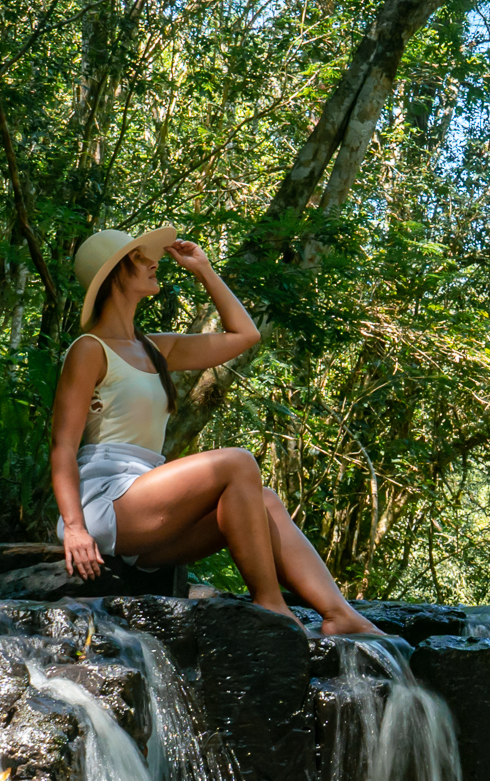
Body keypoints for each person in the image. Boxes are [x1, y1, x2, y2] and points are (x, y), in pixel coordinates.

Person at [49, 224, 377, 635]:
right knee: (237, 463)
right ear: (114, 275)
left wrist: (204, 269)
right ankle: (271, 607)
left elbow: (245, 335)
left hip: (148, 503)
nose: (154, 262)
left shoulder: (154, 348)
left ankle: (339, 614)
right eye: (140, 258)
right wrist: (75, 528)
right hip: (107, 503)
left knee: (264, 500)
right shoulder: (89, 349)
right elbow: (63, 447)